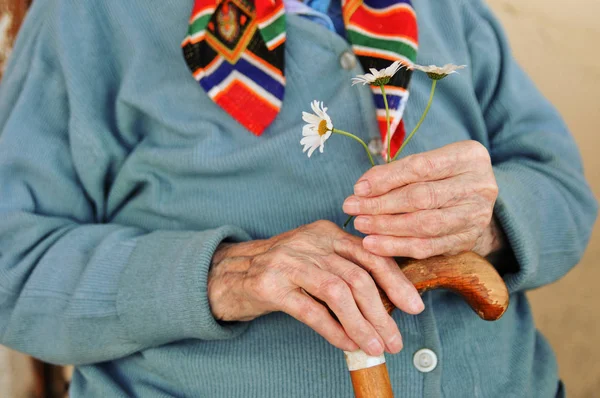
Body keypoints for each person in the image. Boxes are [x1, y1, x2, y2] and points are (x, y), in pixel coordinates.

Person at [0, 0, 596, 396]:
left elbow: (563, 190)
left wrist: (489, 223)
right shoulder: (87, 17)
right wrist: (225, 275)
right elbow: (11, 263)